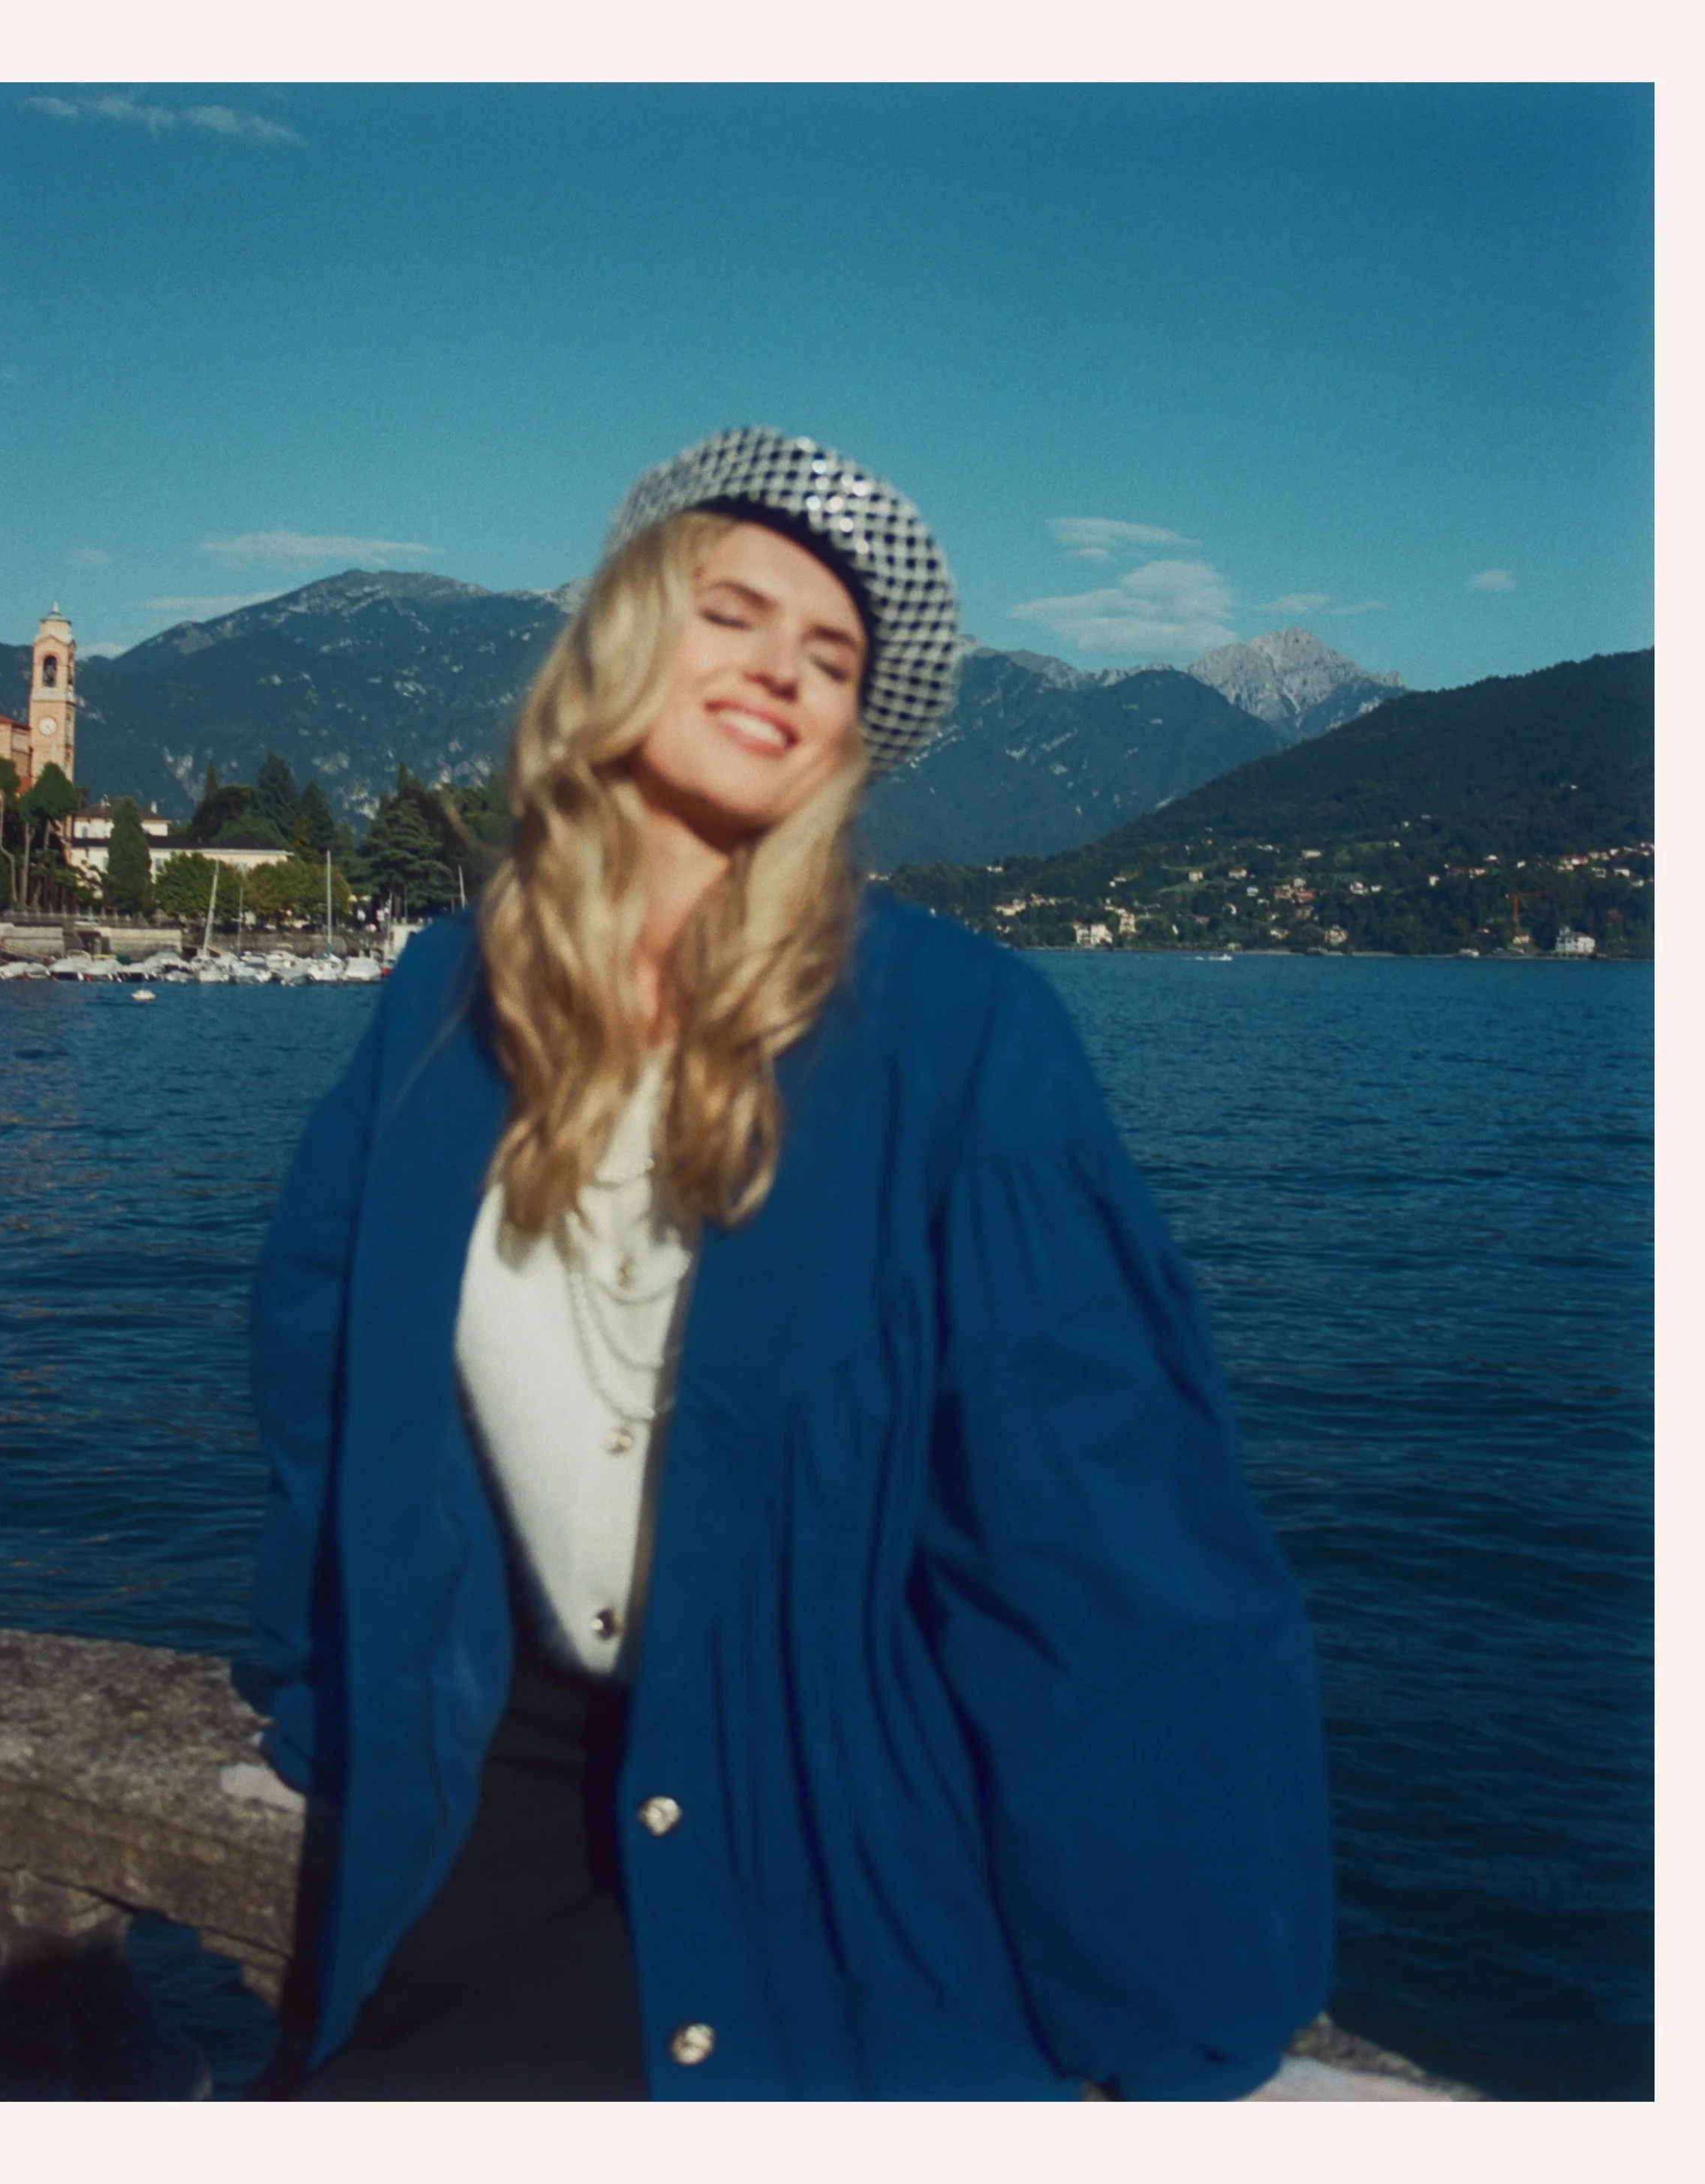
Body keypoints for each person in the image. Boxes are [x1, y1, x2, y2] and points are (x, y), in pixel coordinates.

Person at [251, 426, 1334, 2102]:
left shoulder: (961, 1040)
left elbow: (1106, 1550)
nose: (782, 670)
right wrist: (332, 1708)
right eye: (733, 614)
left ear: (848, 733)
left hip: (826, 1865)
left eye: (830, 656)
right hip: (467, 1830)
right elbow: (328, 1384)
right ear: (621, 640)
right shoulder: (441, 1002)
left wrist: (1172, 2018)